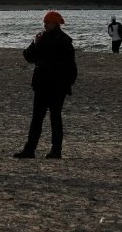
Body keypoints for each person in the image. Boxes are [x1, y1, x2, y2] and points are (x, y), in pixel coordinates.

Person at [13, 10, 77, 160]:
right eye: (44, 22)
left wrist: (68, 84)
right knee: (37, 118)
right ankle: (30, 150)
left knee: (55, 118)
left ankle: (56, 150)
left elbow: (71, 67)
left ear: (56, 23)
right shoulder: (41, 38)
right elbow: (29, 57)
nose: (45, 25)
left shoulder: (65, 41)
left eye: (48, 22)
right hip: (42, 84)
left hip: (57, 86)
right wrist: (34, 44)